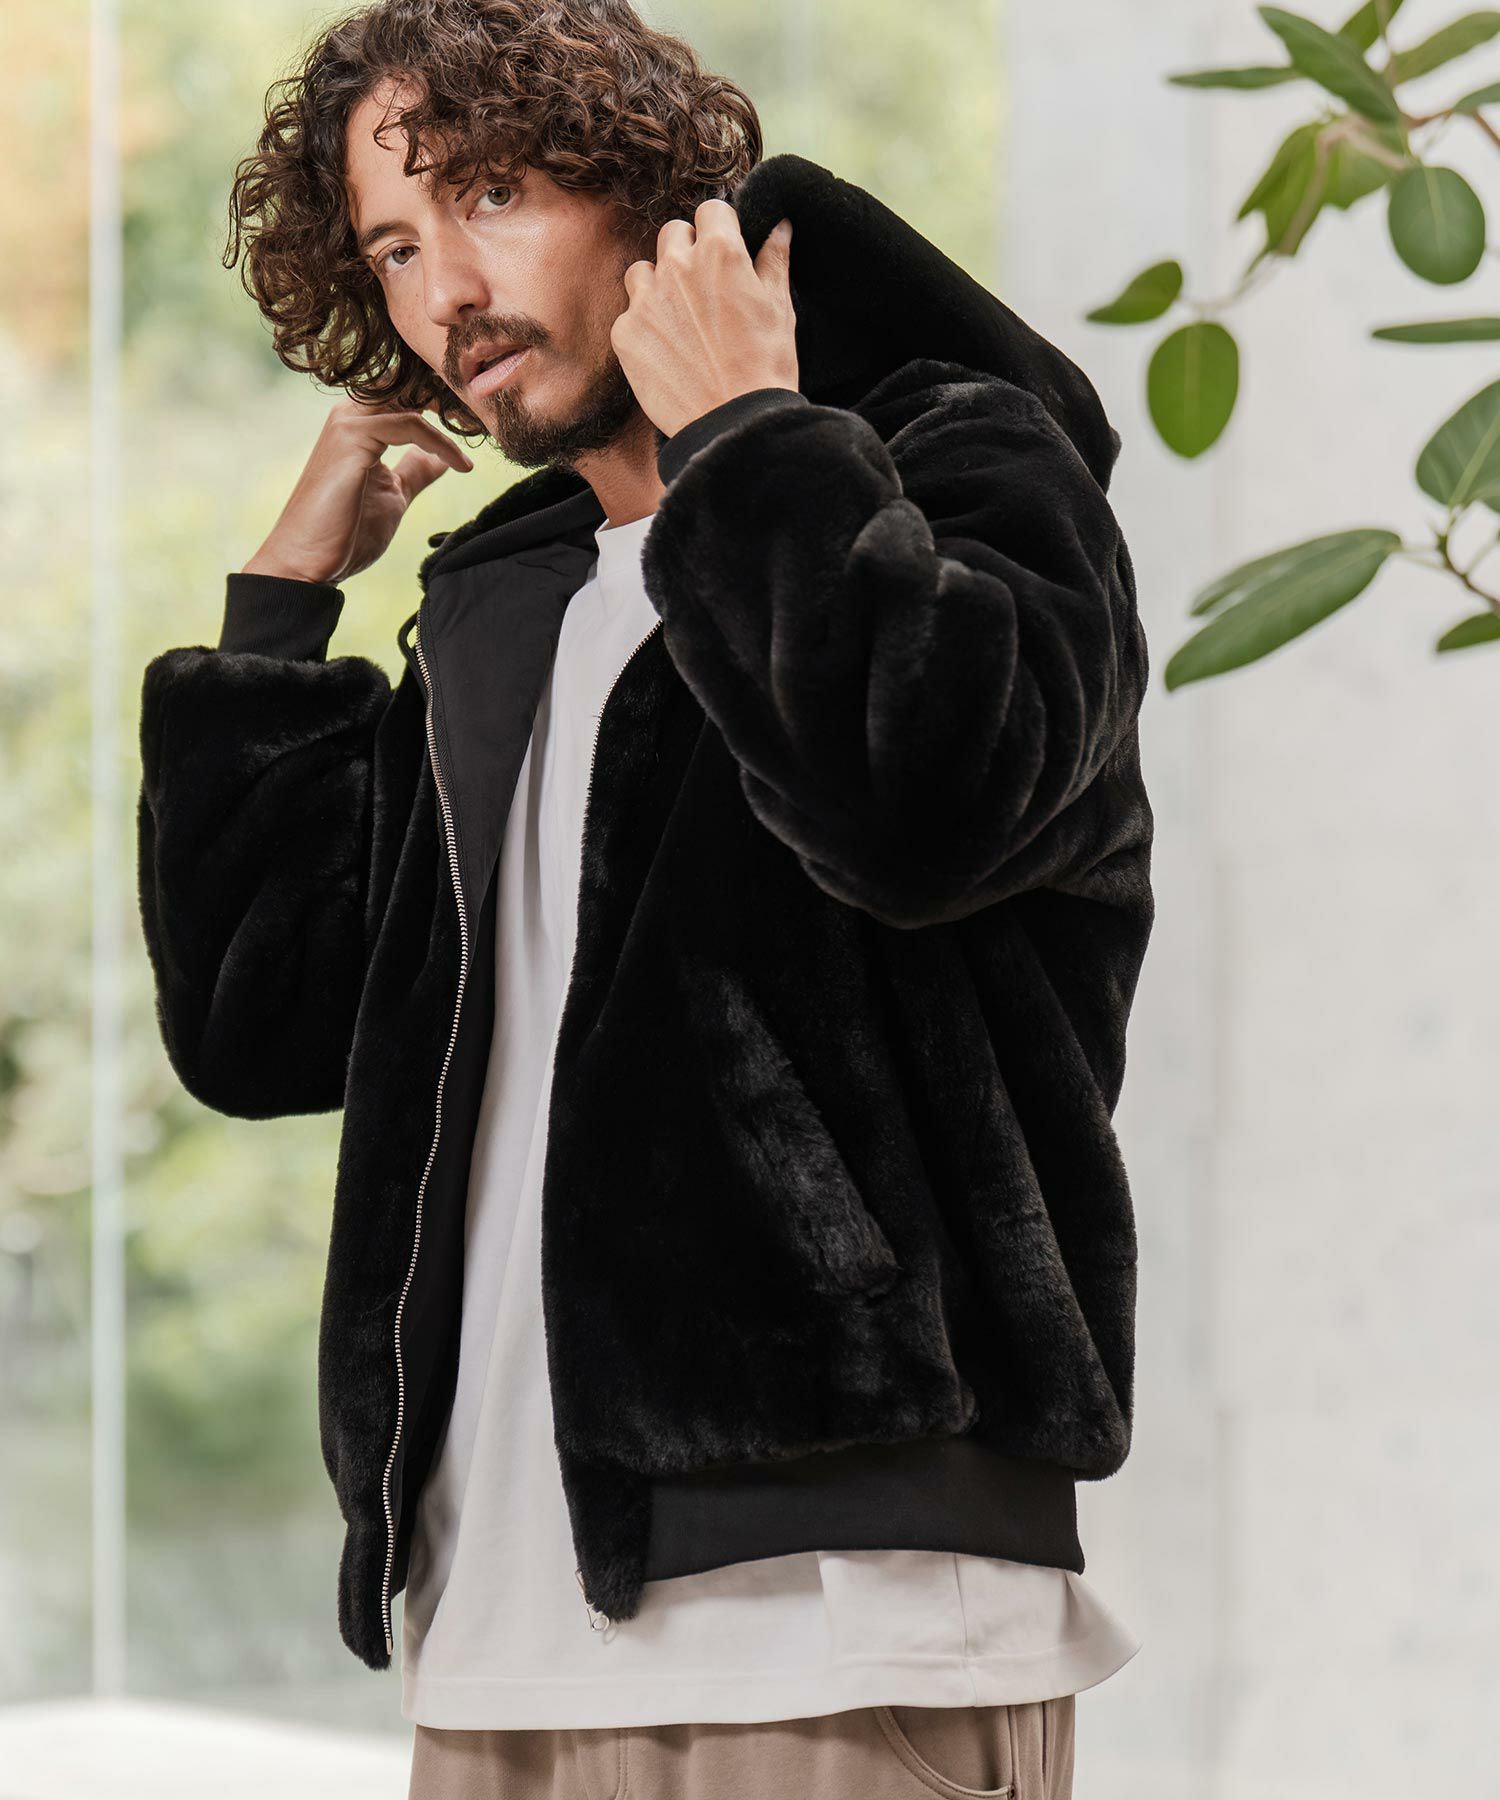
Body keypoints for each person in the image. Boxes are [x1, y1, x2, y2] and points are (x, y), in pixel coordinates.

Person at [135, 2, 1156, 1794]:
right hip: (491, 1630)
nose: (448, 290)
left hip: (843, 1615)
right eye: (394, 246)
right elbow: (261, 1027)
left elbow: (919, 807)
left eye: (492, 194)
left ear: (650, 195)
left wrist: (751, 427)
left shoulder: (963, 472)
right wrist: (283, 614)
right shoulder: (504, 603)